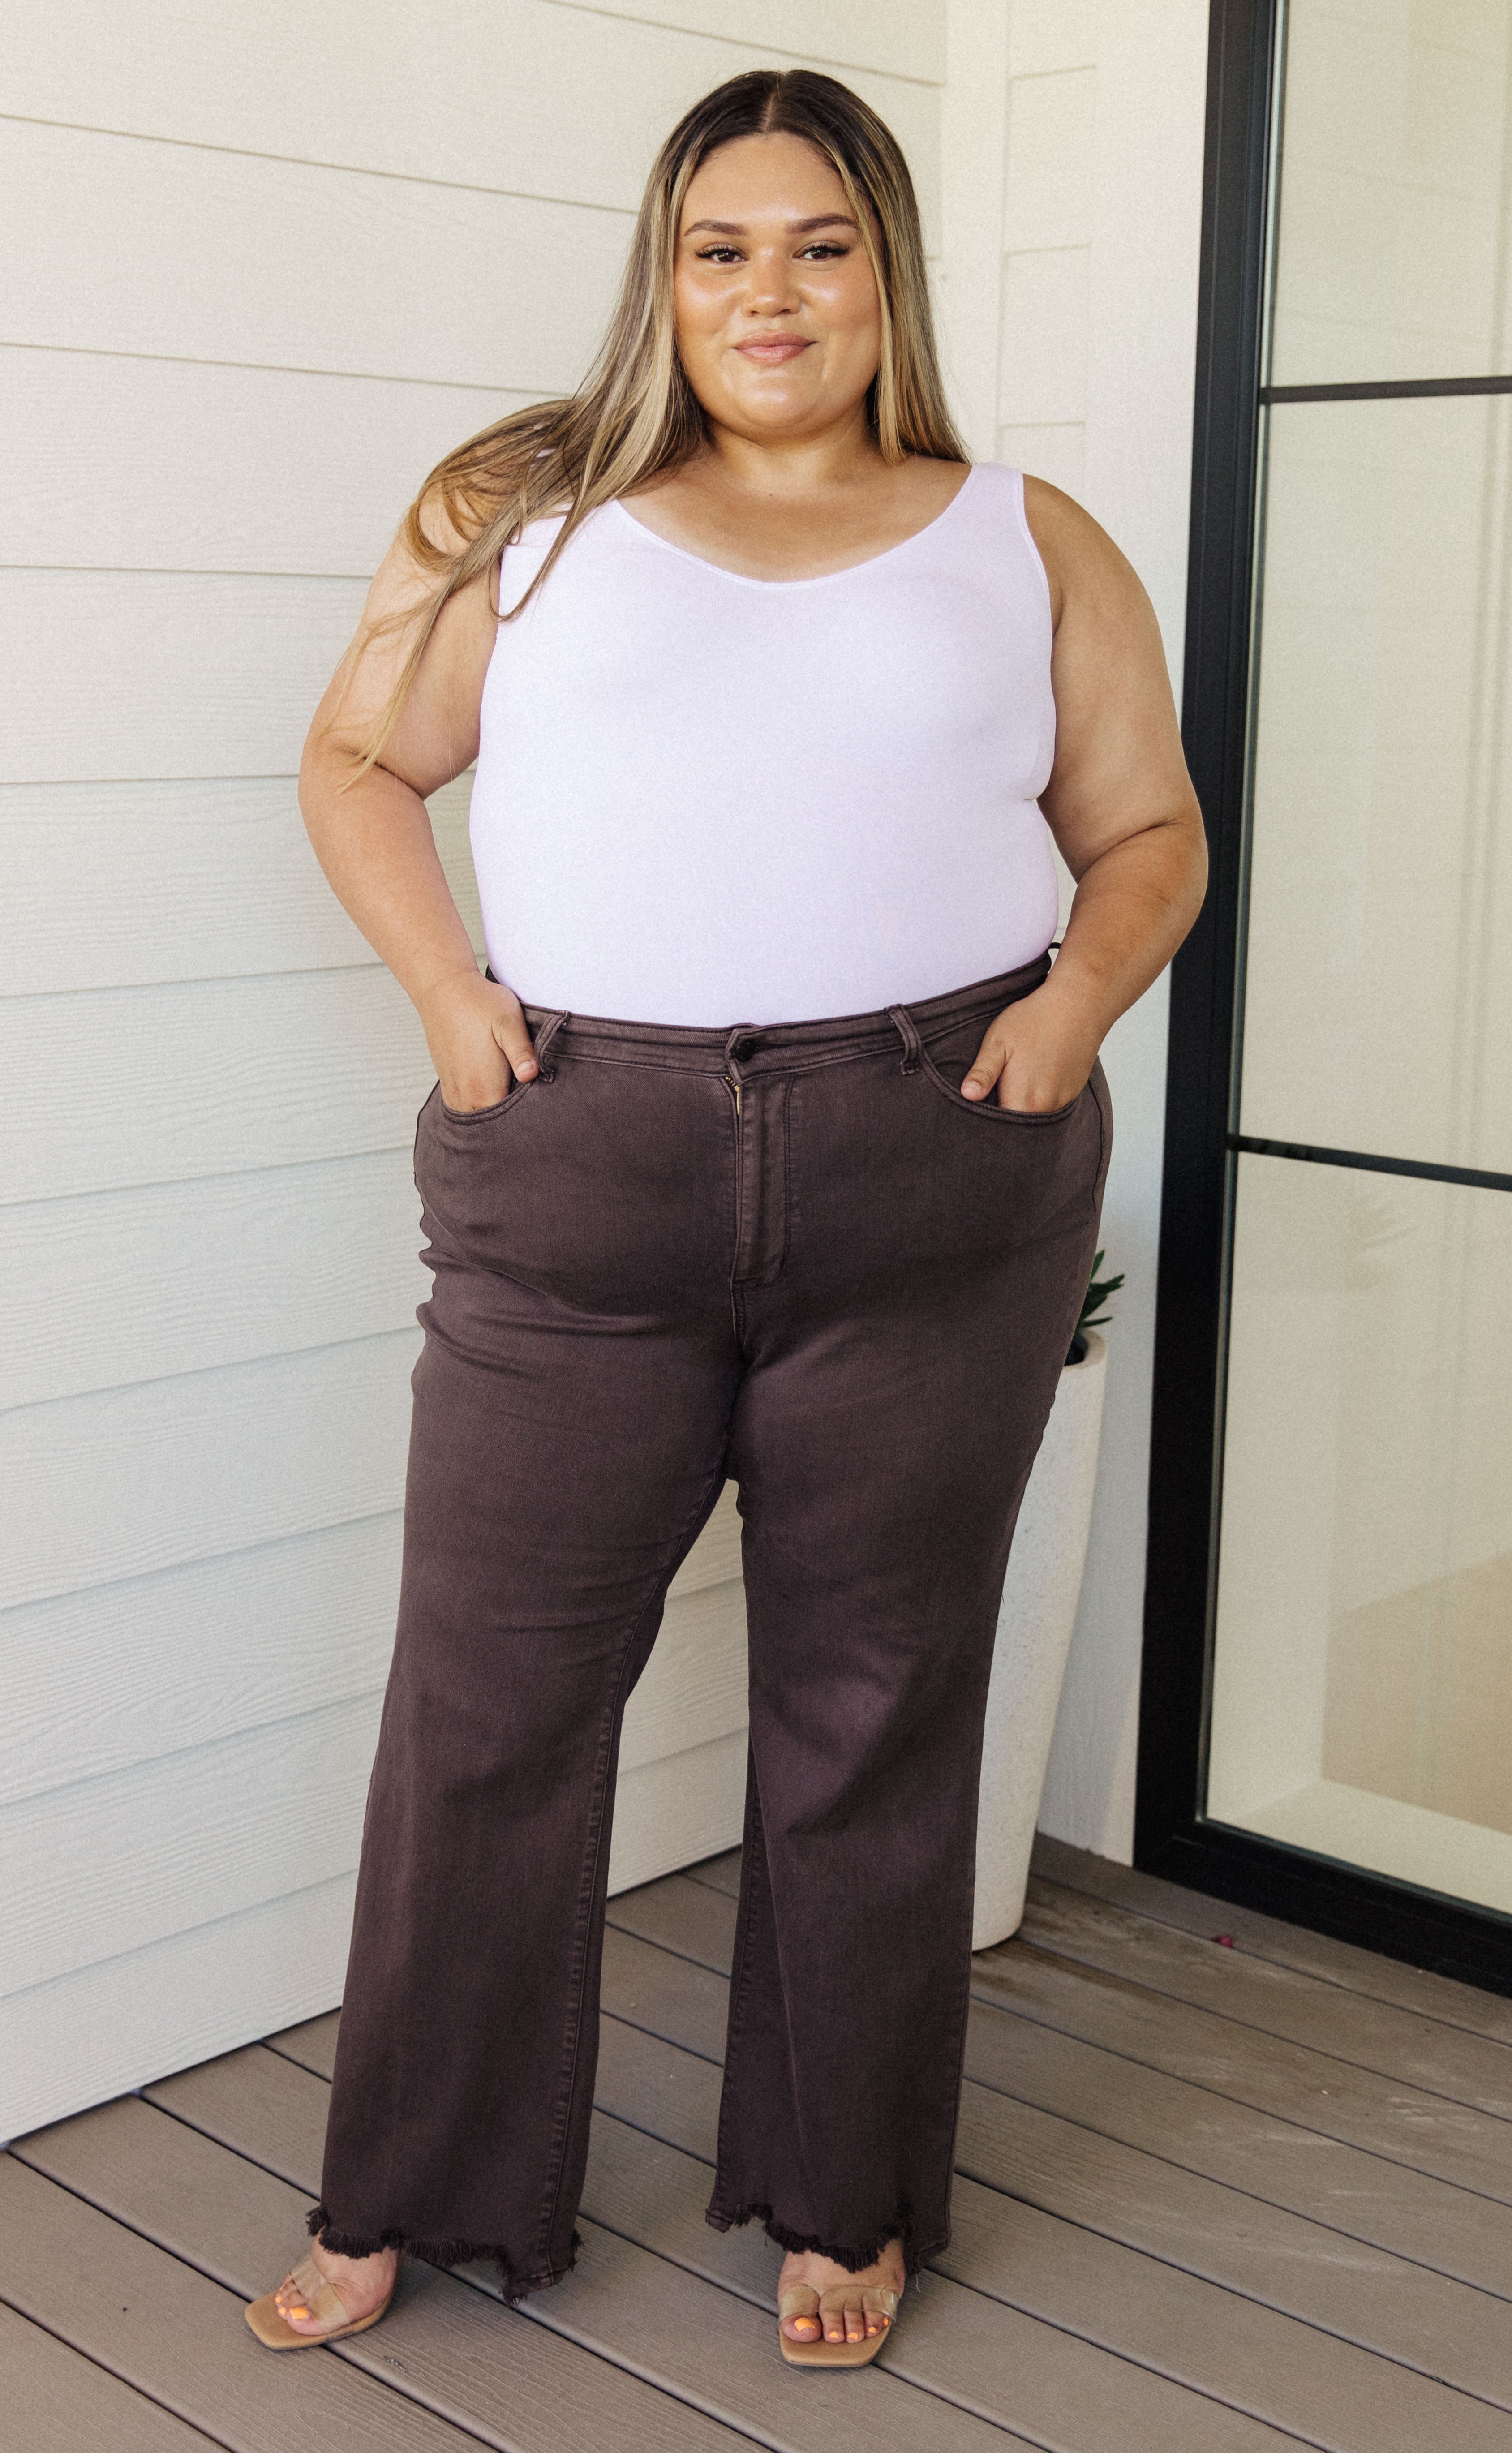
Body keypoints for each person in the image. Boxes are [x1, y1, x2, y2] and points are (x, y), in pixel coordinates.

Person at [245, 66, 1205, 2369]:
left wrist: (1072, 1008)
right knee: (486, 1697)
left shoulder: (1028, 536)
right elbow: (357, 758)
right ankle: (413, 2186)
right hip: (582, 1171)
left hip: (933, 1167)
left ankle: (841, 2187)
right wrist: (451, 997)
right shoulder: (522, 511)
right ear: (663, 279)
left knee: (871, 1700)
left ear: (886, 272)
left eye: (819, 245)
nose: (770, 294)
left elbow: (1149, 829)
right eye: (720, 249)